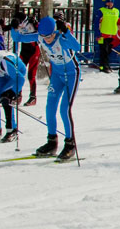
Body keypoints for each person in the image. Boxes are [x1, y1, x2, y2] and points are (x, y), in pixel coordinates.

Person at [15, 16, 81, 160]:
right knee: (50, 108)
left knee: (64, 110)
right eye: (44, 37)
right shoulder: (40, 37)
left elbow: (77, 47)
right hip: (56, 75)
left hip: (71, 74)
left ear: (55, 32)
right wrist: (14, 27)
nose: (47, 40)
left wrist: (66, 31)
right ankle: (51, 142)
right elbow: (18, 38)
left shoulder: (61, 39)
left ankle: (70, 144)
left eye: (50, 36)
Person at [10, 12, 41, 106]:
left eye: (20, 22)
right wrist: (12, 27)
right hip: (24, 51)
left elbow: (40, 33)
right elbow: (15, 37)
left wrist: (36, 24)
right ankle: (18, 95)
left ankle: (33, 97)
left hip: (34, 51)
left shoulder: (31, 23)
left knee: (31, 75)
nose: (19, 24)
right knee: (18, 72)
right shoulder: (17, 25)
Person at [96, 0, 120, 72]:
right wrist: (97, 34)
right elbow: (97, 22)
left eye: (111, 2)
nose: (110, 4)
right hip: (102, 35)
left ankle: (106, 65)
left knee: (109, 51)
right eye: (108, 2)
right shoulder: (101, 10)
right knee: (103, 51)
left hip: (113, 35)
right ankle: (103, 67)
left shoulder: (117, 11)